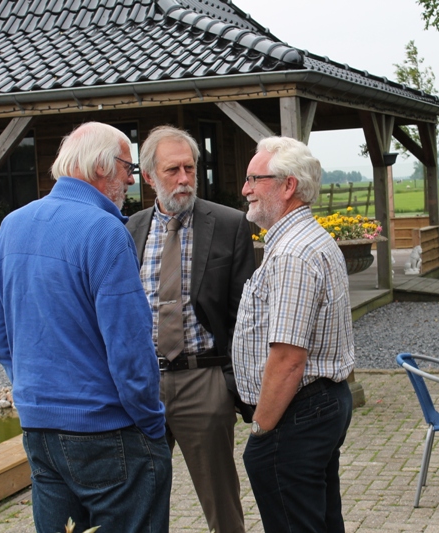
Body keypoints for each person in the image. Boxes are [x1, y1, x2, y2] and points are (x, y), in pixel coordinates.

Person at [0, 122, 171, 533]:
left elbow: (1, 338)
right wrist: (151, 423)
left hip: (39, 430)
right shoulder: (105, 231)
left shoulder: (12, 225)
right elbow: (130, 349)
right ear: (101, 166)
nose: (131, 179)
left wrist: (39, 398)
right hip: (107, 430)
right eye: (127, 167)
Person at [126, 125, 255, 533]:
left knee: (222, 505)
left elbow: (245, 314)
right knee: (140, 502)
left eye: (190, 168)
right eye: (172, 170)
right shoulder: (128, 230)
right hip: (144, 385)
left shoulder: (229, 224)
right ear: (150, 177)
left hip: (204, 380)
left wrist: (228, 386)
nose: (184, 179)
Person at [232, 136, 356, 532]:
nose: (245, 189)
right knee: (320, 520)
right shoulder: (307, 239)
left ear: (288, 186)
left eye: (255, 179)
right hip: (317, 406)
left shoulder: (292, 253)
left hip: (297, 412)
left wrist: (261, 429)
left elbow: (288, 359)